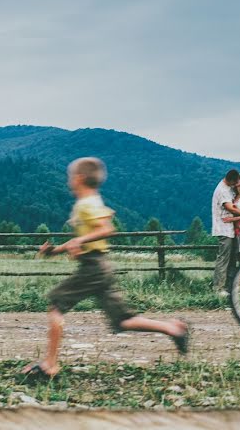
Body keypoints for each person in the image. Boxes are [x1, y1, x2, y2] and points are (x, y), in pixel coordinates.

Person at [20, 157, 189, 380]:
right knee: (123, 320)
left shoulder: (87, 204)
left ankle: (50, 365)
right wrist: (55, 250)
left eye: (70, 177)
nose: (68, 181)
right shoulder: (92, 202)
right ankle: (174, 329)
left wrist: (80, 241)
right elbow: (83, 238)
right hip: (100, 266)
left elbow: (106, 229)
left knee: (56, 306)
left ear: (79, 178)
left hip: (92, 267)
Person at [211, 169, 240, 297]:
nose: (235, 185)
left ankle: (229, 286)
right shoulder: (223, 190)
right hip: (223, 228)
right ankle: (218, 287)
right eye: (234, 183)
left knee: (230, 259)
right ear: (230, 180)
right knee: (223, 259)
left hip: (229, 228)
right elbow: (229, 207)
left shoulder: (226, 188)